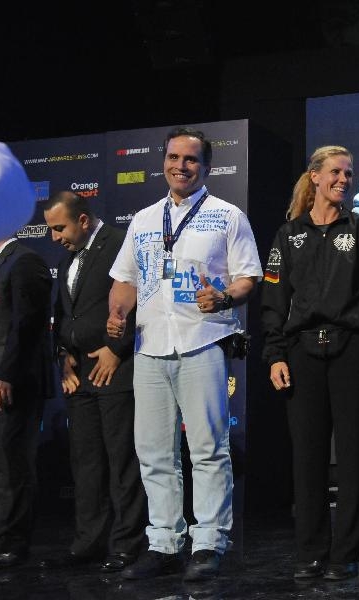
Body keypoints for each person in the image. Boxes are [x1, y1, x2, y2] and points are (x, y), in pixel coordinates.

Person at [107, 127, 263, 581]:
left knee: (208, 450)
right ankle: (164, 543)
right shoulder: (143, 219)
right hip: (150, 345)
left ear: (206, 166)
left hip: (202, 341)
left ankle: (209, 541)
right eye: (174, 157)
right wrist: (117, 312)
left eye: (191, 159)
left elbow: (247, 278)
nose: (181, 166)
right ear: (164, 162)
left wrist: (225, 298)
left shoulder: (227, 216)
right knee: (154, 452)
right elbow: (125, 278)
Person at [261, 146, 359, 581]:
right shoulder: (289, 235)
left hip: (353, 351)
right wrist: (275, 354)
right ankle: (310, 553)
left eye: (349, 173)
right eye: (336, 172)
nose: (344, 179)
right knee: (307, 458)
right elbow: (273, 302)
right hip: (302, 353)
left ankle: (345, 555)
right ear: (315, 177)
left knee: (356, 456)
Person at [41, 191, 147, 572]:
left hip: (116, 369)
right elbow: (64, 312)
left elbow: (143, 299)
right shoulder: (70, 253)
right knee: (85, 462)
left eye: (59, 228)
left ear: (83, 220)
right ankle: (88, 543)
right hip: (79, 377)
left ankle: (127, 544)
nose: (54, 237)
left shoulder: (121, 243)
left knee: (122, 459)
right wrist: (63, 355)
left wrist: (115, 349)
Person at [0, 235, 50, 570]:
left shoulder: (24, 260)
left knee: (10, 462)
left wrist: (6, 374)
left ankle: (11, 542)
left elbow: (25, 326)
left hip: (13, 380)